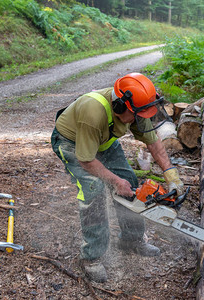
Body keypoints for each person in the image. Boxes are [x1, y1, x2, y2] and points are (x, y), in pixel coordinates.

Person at [50, 72, 184, 283]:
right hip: (72, 143)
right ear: (120, 107)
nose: (142, 118)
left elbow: (153, 142)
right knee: (93, 189)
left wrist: (171, 174)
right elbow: (86, 160)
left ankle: (131, 240)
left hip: (103, 141)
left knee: (129, 182)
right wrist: (113, 181)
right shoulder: (93, 112)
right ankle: (91, 257)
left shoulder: (136, 109)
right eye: (139, 115)